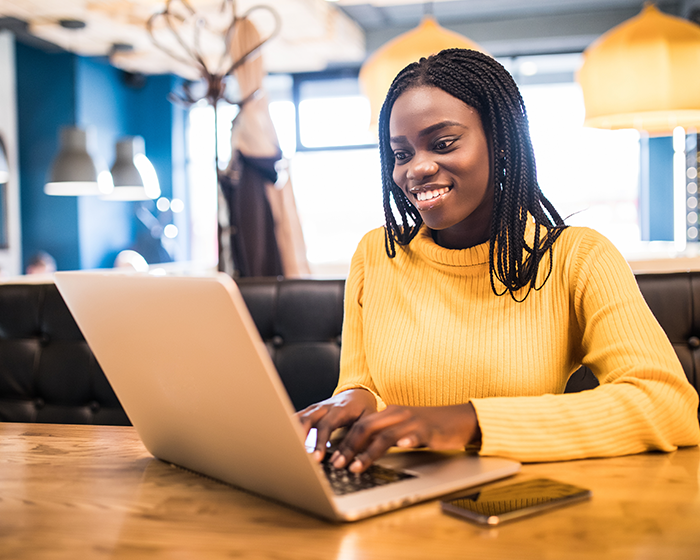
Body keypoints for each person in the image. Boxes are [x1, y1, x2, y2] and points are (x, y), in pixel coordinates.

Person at [297, 48, 700, 474]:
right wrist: (352, 399)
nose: (416, 169)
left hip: (518, 504)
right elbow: (364, 384)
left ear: (502, 142)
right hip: (395, 496)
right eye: (401, 154)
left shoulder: (577, 258)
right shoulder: (376, 254)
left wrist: (470, 422)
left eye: (442, 143)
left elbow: (665, 404)